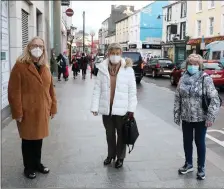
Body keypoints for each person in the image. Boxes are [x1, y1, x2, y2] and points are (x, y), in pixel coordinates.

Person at [8, 36, 57, 179]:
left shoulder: (45, 66)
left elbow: (50, 90)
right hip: (27, 111)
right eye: (35, 45)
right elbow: (13, 91)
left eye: (41, 46)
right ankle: (28, 167)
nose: (38, 49)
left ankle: (37, 163)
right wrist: (18, 112)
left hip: (42, 109)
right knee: (28, 140)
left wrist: (53, 107)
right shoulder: (20, 66)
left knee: (38, 139)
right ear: (29, 48)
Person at [174, 54, 220, 180]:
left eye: (195, 64)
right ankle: (188, 164)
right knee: (187, 142)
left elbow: (215, 100)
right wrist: (177, 114)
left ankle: (201, 168)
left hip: (201, 118)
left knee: (200, 143)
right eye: (190, 63)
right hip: (186, 117)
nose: (192, 66)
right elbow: (178, 97)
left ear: (199, 66)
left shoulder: (205, 79)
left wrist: (210, 117)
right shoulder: (183, 78)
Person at [91, 43, 137, 169]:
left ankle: (120, 157)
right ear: (108, 54)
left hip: (122, 110)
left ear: (121, 54)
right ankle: (110, 155)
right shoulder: (102, 69)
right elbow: (97, 89)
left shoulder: (128, 69)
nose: (115, 56)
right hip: (107, 109)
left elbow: (132, 92)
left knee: (121, 135)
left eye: (117, 54)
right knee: (109, 134)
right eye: (112, 53)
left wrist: (131, 110)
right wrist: (94, 107)